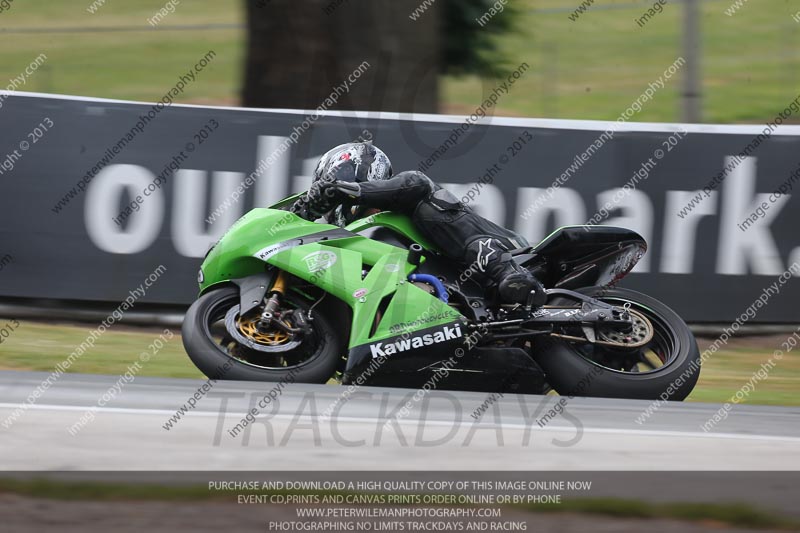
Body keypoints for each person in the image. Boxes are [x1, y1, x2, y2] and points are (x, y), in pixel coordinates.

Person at [291, 142, 546, 307]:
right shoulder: (370, 236)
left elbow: (414, 184)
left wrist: (341, 190)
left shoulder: (405, 197)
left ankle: (508, 272)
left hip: (515, 255)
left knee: (428, 206)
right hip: (466, 297)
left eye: (337, 178)